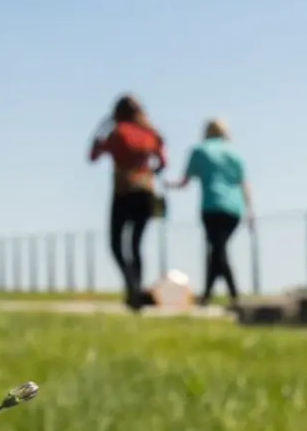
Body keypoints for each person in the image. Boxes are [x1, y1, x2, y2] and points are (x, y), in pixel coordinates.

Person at [88, 94, 167, 311]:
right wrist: (149, 172)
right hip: (146, 192)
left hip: (123, 192)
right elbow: (162, 162)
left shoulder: (119, 133)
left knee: (116, 244)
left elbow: (94, 155)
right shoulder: (152, 134)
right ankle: (136, 289)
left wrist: (101, 131)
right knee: (136, 244)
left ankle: (132, 286)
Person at [170, 118, 255, 308]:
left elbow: (185, 181)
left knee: (218, 250)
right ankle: (208, 296)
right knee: (217, 251)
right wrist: (250, 211)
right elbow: (245, 184)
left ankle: (233, 295)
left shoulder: (200, 150)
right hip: (235, 208)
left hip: (212, 206)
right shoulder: (234, 154)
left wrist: (168, 185)